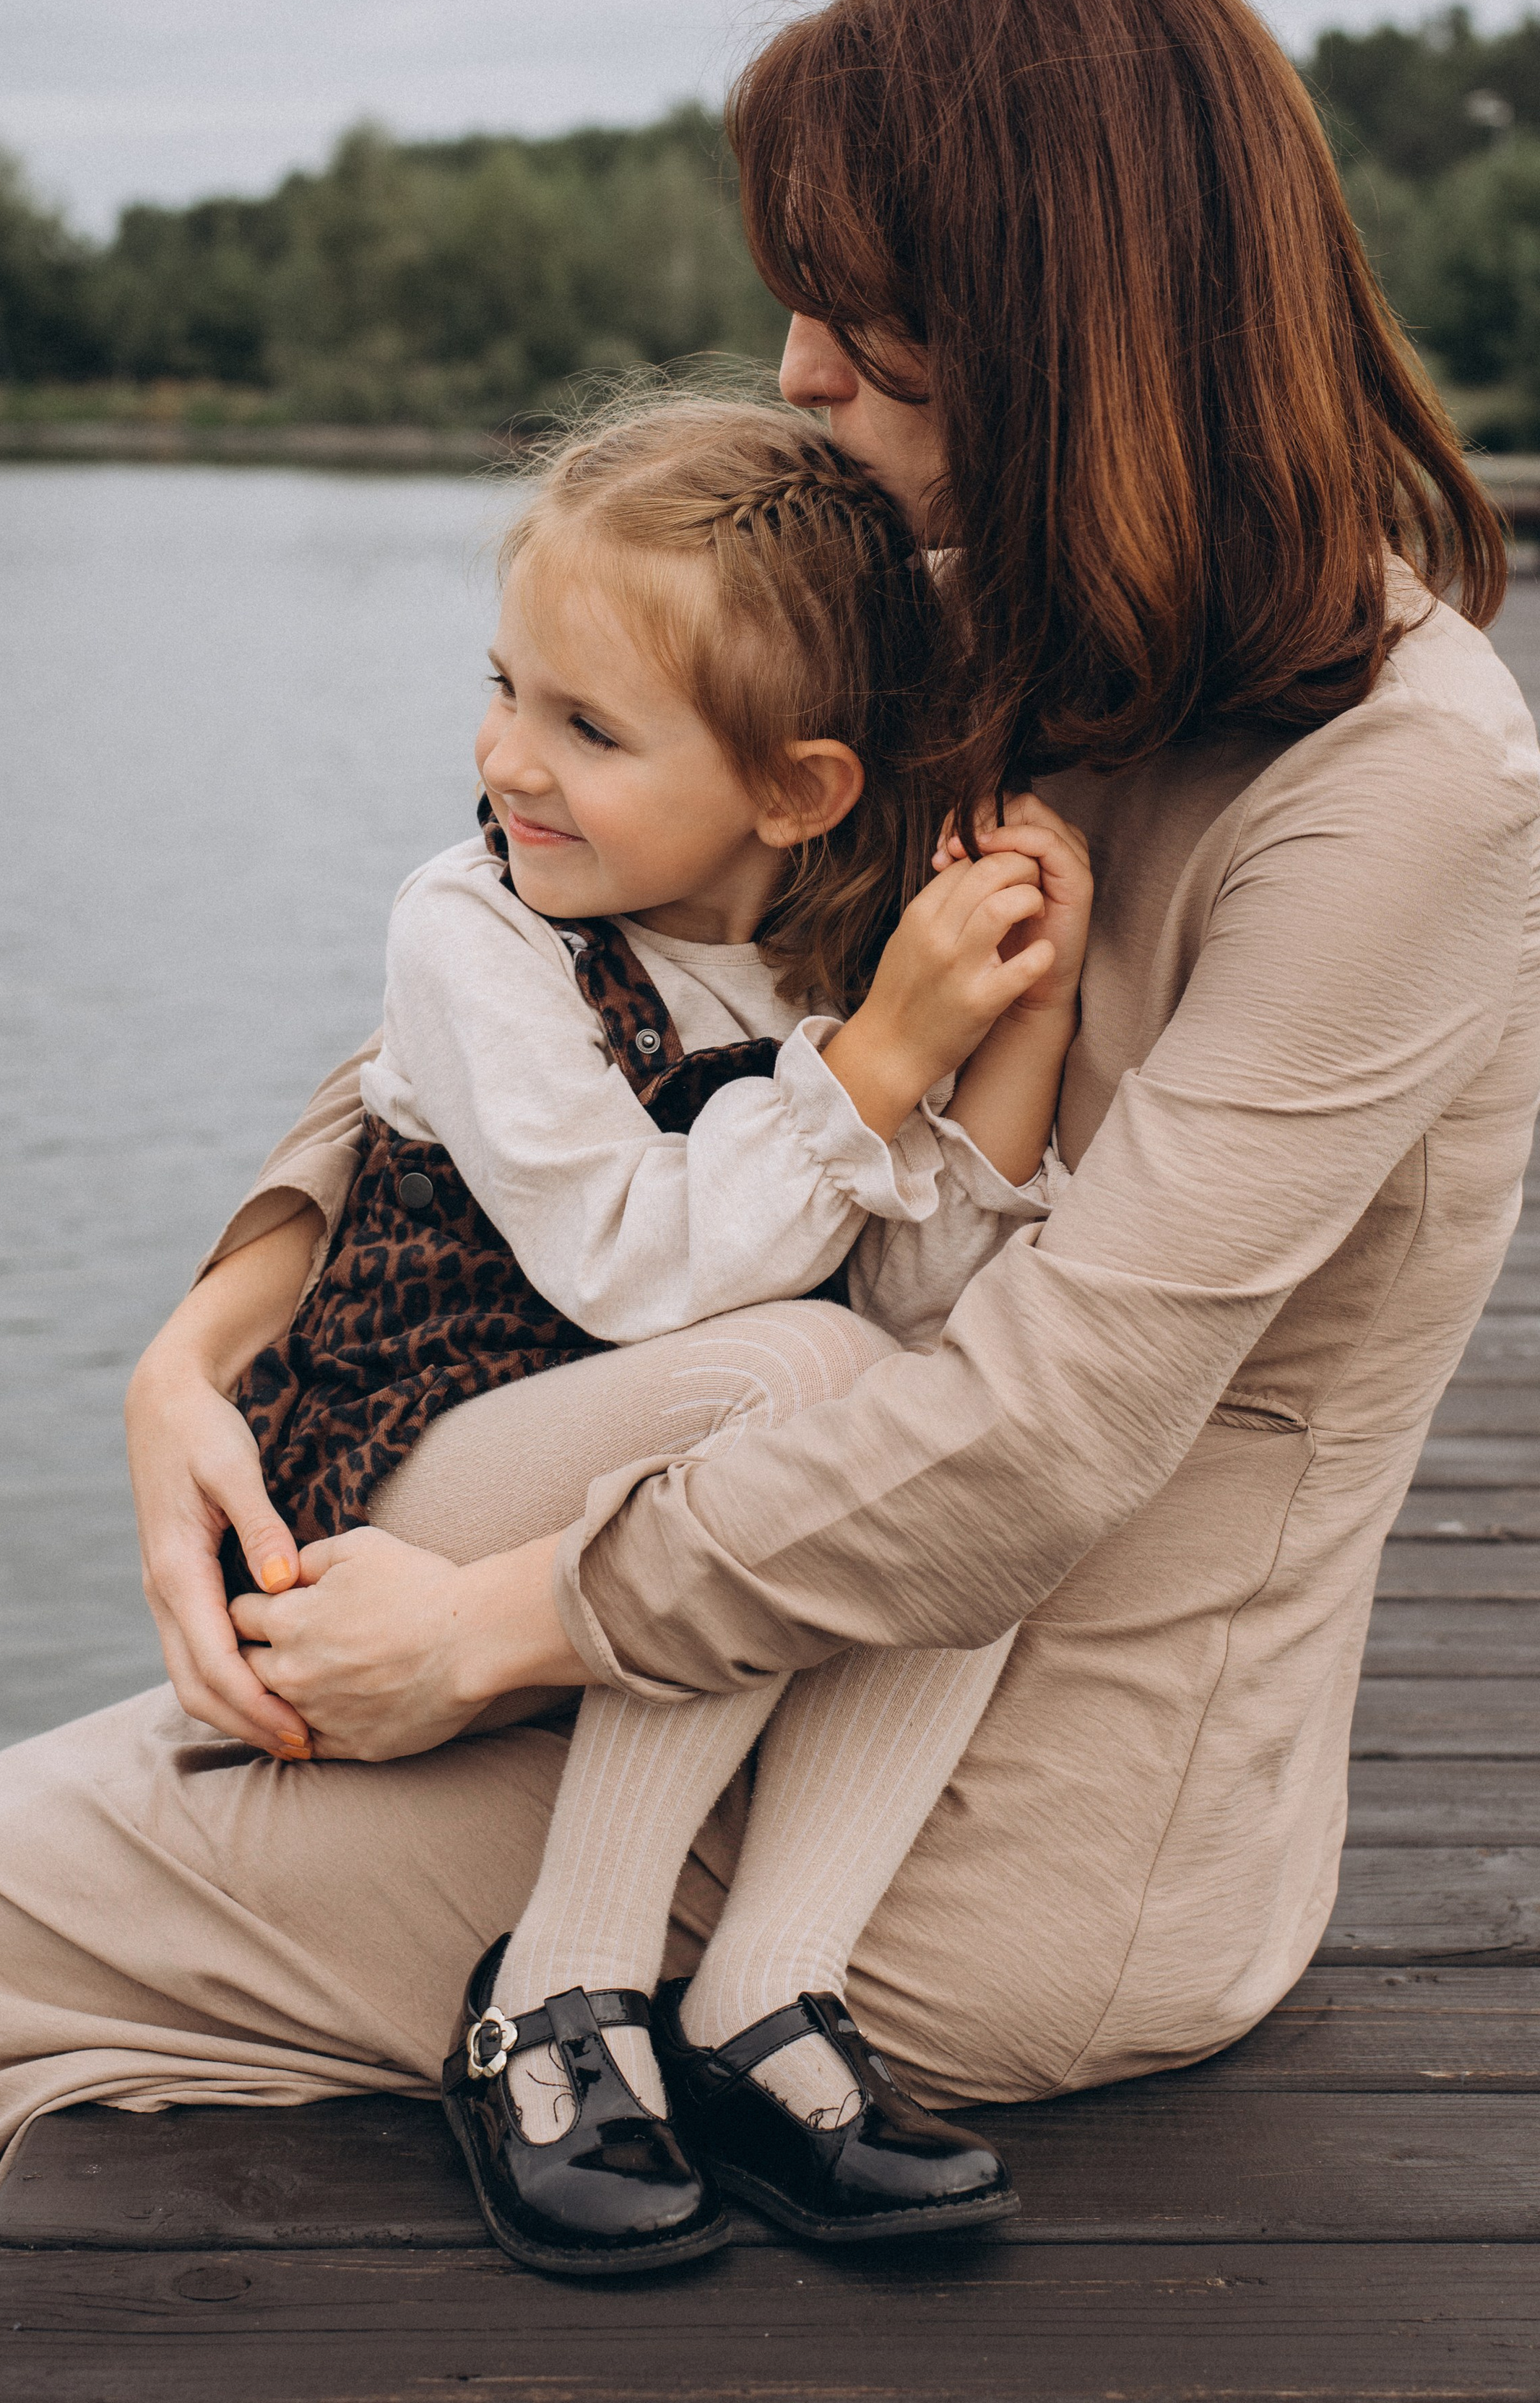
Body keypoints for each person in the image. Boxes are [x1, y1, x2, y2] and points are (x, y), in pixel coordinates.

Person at [0, 0, 1540, 2303]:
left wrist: (488, 1631)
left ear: (1066, 324)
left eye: (863, 313)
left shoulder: (1396, 803)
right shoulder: (997, 599)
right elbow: (537, 956)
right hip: (726, 1617)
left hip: (971, 1842)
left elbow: (1033, 1438)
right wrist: (208, 1338)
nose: (794, 369)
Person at [235, 392, 1091, 2271]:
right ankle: (555, 1988)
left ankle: (763, 1999)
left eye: (588, 727)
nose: (508, 759)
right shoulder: (479, 930)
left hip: (654, 1475)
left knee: (979, 1455)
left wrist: (997, 1033)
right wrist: (876, 1067)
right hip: (414, 1456)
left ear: (796, 791)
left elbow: (933, 1311)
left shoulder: (825, 939)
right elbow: (626, 1261)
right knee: (807, 1385)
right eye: (506, 686)